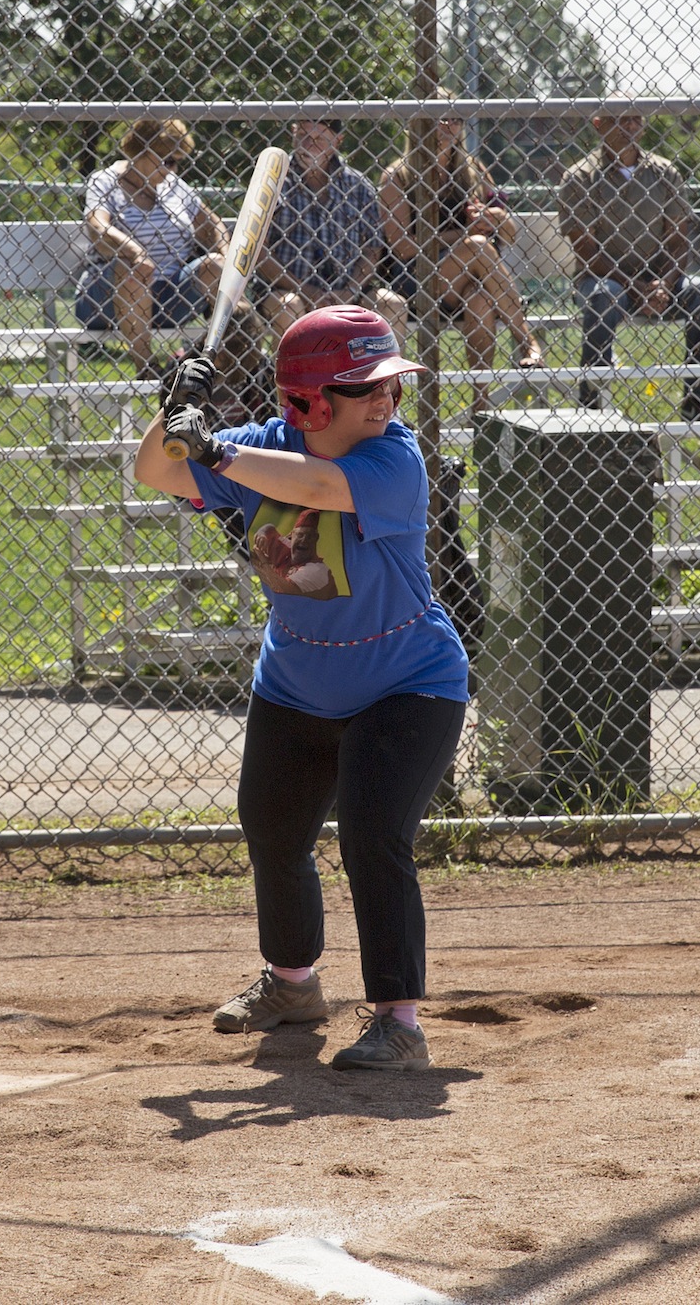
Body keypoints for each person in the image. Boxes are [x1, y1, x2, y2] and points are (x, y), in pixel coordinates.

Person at [134, 305, 470, 1071]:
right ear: (312, 402)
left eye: (391, 385)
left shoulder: (396, 460)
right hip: (296, 679)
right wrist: (172, 410)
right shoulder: (255, 448)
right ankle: (293, 985)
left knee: (372, 835)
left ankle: (399, 1021)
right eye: (364, 388)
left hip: (408, 681)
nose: (386, 401)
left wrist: (212, 447)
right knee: (274, 832)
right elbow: (154, 469)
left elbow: (318, 482)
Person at [379, 99, 545, 402]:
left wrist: (494, 218)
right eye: (439, 119)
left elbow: (510, 233)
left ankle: (480, 405)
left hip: (470, 280)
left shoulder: (472, 170)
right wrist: (462, 234)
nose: (448, 126)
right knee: (478, 248)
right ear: (418, 124)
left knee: (481, 301)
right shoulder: (397, 176)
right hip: (416, 281)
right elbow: (402, 247)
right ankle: (526, 340)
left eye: (455, 119)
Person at [558, 112, 700, 417]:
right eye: (618, 119)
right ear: (598, 124)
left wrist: (665, 284)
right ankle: (592, 401)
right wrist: (634, 286)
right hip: (605, 280)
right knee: (602, 297)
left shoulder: (663, 171)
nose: (629, 126)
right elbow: (586, 251)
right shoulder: (581, 176)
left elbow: (678, 241)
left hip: (659, 282)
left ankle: (698, 400)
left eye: (635, 118)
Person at [77, 118, 228, 376]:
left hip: (169, 295)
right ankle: (147, 367)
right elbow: (97, 225)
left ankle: (212, 360)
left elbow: (212, 224)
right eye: (168, 160)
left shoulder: (174, 187)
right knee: (136, 268)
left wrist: (227, 255)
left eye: (178, 161)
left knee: (215, 264)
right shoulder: (104, 181)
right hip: (107, 297)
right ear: (141, 151)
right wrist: (134, 251)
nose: (173, 169)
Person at [256, 114, 410, 345]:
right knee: (289, 306)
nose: (310, 144)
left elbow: (373, 248)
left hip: (349, 290)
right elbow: (259, 249)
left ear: (338, 141)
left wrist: (350, 290)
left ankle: (384, 380)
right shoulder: (273, 182)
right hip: (287, 289)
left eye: (319, 138)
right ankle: (297, 380)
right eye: (303, 136)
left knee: (393, 304)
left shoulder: (357, 185)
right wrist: (306, 290)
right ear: (293, 135)